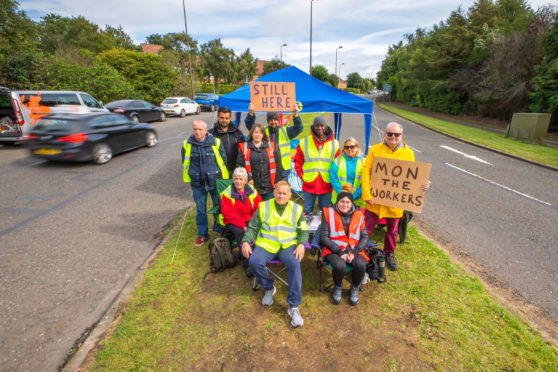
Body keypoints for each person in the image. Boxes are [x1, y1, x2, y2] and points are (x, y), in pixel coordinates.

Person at [361, 122, 431, 270]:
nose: (393, 137)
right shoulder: (374, 150)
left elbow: (411, 178)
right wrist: (367, 194)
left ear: (401, 136)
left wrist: (422, 185)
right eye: (390, 134)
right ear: (385, 134)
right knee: (366, 228)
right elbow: (366, 172)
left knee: (392, 231)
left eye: (396, 134)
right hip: (375, 199)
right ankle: (361, 251)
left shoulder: (408, 153)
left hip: (394, 202)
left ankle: (389, 253)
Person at [241, 180, 309, 328]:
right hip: (266, 244)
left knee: (294, 264)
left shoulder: (297, 209)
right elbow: (252, 227)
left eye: (285, 193)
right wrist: (246, 241)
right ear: (274, 192)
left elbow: (303, 230)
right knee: (254, 261)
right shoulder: (264, 206)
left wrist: (302, 244)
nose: (281, 195)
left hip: (288, 246)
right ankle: (269, 287)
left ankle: (294, 306)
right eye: (278, 192)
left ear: (290, 195)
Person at [319, 184, 369, 305]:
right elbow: (324, 237)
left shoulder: (359, 215)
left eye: (347, 202)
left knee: (361, 264)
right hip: (334, 250)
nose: (345, 205)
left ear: (351, 203)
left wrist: (355, 251)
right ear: (337, 201)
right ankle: (337, 287)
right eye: (342, 201)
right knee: (340, 265)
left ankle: (355, 288)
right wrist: (340, 252)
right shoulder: (328, 213)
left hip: (354, 249)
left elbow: (365, 237)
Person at [182, 119, 229, 246]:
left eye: (200, 129)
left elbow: (224, 159)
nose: (197, 132)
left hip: (214, 181)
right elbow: (185, 162)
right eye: (195, 129)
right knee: (201, 210)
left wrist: (217, 174)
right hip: (198, 183)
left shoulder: (215, 142)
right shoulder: (187, 144)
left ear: (205, 130)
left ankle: (220, 229)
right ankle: (203, 234)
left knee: (218, 207)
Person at [294, 115, 341, 219]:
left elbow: (338, 164)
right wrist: (302, 176)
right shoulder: (304, 142)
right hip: (309, 183)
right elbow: (297, 162)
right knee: (307, 212)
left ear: (325, 126)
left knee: (324, 213)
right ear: (313, 127)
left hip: (326, 184)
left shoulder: (335, 144)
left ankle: (323, 233)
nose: (319, 128)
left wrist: (334, 179)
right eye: (317, 125)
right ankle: (308, 234)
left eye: (321, 125)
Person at [220, 167, 262, 277]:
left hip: (250, 218)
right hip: (233, 220)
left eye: (240, 179)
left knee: (258, 231)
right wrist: (243, 226)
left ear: (245, 181)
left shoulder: (252, 190)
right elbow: (229, 214)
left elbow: (259, 208)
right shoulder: (227, 193)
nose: (238, 181)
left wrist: (253, 223)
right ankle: (248, 264)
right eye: (235, 179)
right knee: (241, 234)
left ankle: (257, 258)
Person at [245, 103, 303, 180]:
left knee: (282, 192)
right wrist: (251, 113)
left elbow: (299, 128)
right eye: (271, 120)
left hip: (283, 172)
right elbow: (250, 125)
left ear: (278, 121)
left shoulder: (286, 131)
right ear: (268, 121)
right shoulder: (263, 131)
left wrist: (295, 114)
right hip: (267, 171)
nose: (273, 122)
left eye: (275, 120)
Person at [236, 123, 281, 201]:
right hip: (252, 187)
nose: (258, 135)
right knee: (255, 211)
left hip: (269, 187)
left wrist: (277, 181)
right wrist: (249, 178)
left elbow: (278, 165)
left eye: (260, 133)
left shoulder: (271, 146)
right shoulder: (244, 148)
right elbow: (239, 166)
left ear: (263, 134)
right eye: (256, 132)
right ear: (252, 134)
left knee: (268, 210)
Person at [209, 106, 245, 176]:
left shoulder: (237, 133)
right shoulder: (211, 134)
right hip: (217, 172)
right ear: (217, 117)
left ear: (230, 118)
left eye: (226, 118)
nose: (224, 120)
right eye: (222, 118)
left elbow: (243, 151)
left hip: (235, 171)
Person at [330, 137, 364, 207]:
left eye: (352, 147)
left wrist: (354, 196)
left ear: (357, 147)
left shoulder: (364, 162)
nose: (349, 149)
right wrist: (342, 195)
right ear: (344, 149)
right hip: (340, 200)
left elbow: (366, 182)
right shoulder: (337, 161)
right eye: (347, 147)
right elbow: (333, 179)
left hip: (357, 201)